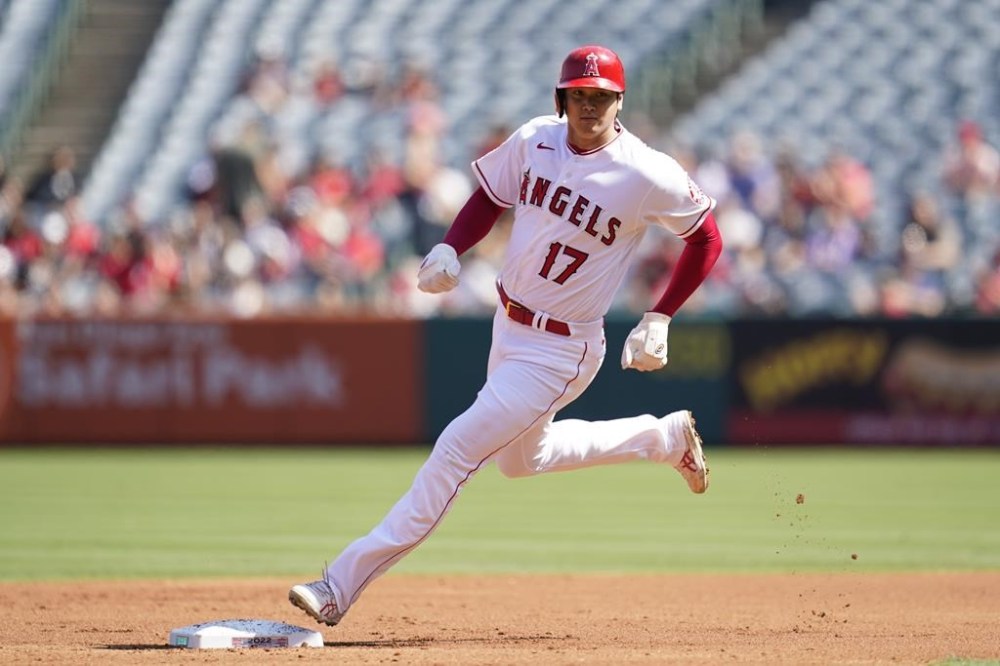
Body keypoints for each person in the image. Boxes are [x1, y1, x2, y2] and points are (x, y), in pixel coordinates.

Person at [288, 44, 724, 627]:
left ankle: (339, 583)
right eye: (578, 95)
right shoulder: (535, 139)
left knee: (455, 451)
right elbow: (490, 197)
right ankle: (661, 438)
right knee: (524, 460)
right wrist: (449, 246)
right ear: (561, 98)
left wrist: (660, 314)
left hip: (563, 348)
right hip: (508, 325)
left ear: (620, 101)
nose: (588, 105)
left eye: (600, 96)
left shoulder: (646, 172)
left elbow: (707, 238)